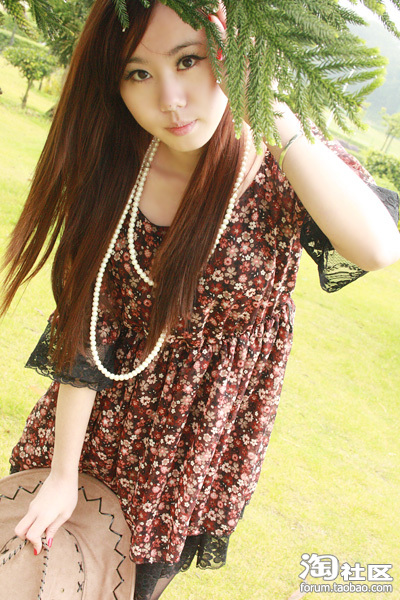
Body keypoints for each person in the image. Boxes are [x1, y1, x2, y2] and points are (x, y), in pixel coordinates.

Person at [1, 1, 400, 599]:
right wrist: (61, 474)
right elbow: (89, 320)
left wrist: (266, 101)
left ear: (232, 54)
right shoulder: (118, 167)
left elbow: (376, 247)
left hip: (194, 452)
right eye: (138, 73)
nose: (170, 99)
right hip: (92, 433)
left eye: (189, 60)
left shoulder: (286, 168)